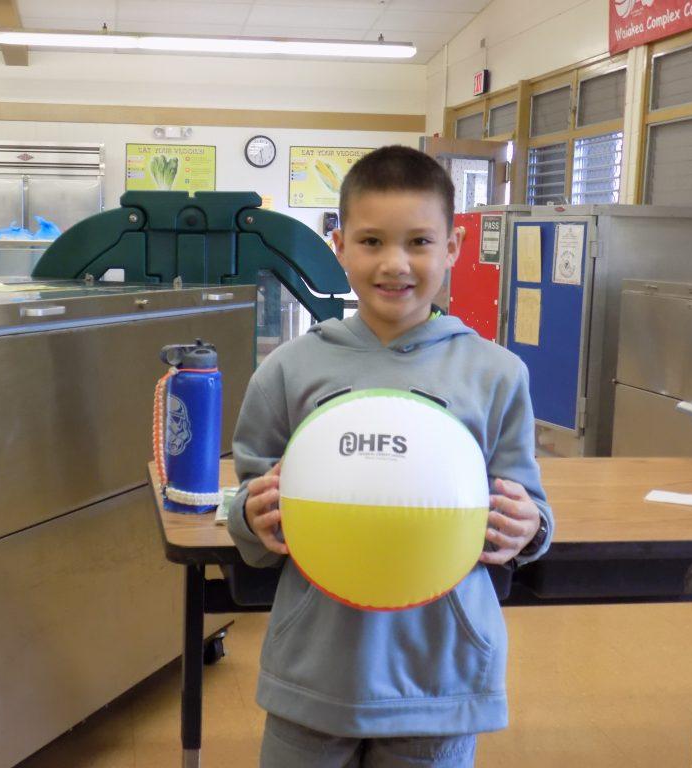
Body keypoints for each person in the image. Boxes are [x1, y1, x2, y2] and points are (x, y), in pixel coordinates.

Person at [227, 145, 554, 768]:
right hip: (316, 672)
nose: (395, 264)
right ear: (340, 243)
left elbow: (526, 504)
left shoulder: (496, 373)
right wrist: (251, 513)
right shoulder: (289, 369)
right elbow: (248, 493)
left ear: (452, 247)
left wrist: (530, 527)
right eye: (372, 241)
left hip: (439, 674)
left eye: (419, 242)